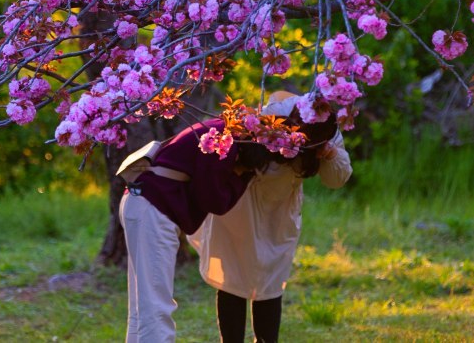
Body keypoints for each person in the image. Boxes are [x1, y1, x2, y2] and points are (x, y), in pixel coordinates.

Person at [188, 91, 353, 343]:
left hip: (279, 211)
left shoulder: (326, 128)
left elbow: (336, 179)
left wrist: (328, 153)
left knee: (270, 280)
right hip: (240, 204)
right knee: (232, 277)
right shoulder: (268, 118)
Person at [121, 117, 264, 343]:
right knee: (156, 306)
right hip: (152, 207)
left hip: (141, 201)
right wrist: (244, 177)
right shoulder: (223, 142)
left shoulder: (219, 127)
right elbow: (214, 199)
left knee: (143, 306)